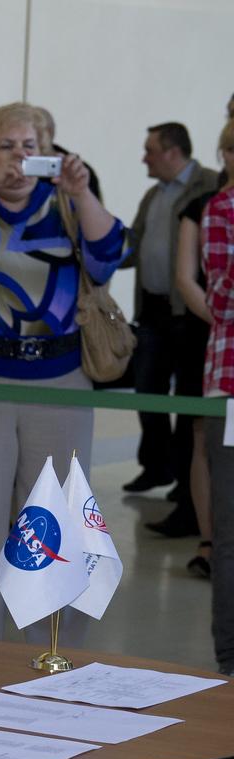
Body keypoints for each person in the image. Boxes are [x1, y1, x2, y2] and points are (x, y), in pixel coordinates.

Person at [0, 102, 127, 641]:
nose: (18, 157)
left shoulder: (67, 205)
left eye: (29, 147)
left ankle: (56, 646)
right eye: (5, 147)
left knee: (58, 519)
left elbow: (111, 254)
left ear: (50, 152)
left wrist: (82, 192)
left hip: (58, 380)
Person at [122, 122, 219, 503]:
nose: (144, 157)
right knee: (148, 388)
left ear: (172, 152)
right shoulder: (153, 195)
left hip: (189, 312)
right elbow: (135, 242)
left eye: (150, 150)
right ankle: (154, 464)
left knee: (186, 400)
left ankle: (185, 478)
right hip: (153, 308)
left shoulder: (208, 185)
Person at [176, 121, 234, 579]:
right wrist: (214, 317)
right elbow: (210, 289)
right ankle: (211, 540)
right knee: (209, 449)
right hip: (222, 351)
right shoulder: (217, 208)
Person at [200, 123, 234, 672]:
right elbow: (222, 294)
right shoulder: (222, 208)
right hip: (232, 386)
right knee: (232, 535)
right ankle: (230, 658)